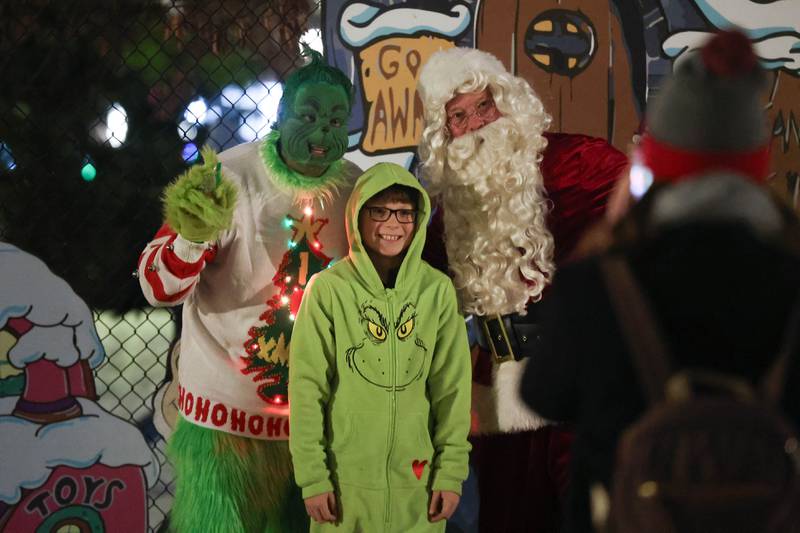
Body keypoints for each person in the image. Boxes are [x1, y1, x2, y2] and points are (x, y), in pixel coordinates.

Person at [520, 29, 800, 533]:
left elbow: (545, 395)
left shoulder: (600, 280)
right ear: (758, 163)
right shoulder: (790, 275)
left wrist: (610, 227)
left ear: (654, 162)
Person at [137, 51, 361, 532]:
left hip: (313, 421)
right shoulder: (227, 178)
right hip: (223, 421)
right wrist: (193, 235)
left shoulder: (358, 190)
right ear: (280, 116)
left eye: (336, 120)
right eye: (309, 116)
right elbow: (157, 285)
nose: (322, 133)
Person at [416, 47, 628, 532]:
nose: (475, 125)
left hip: (581, 382)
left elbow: (645, 221)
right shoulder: (451, 212)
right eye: (459, 116)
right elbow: (418, 282)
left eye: (483, 107)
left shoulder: (581, 161)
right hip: (502, 396)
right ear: (445, 131)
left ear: (506, 103)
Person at [288, 162, 472, 532]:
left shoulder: (436, 291)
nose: (393, 223)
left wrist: (450, 472)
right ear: (358, 215)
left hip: (417, 491)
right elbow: (307, 390)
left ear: (418, 220)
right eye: (380, 211)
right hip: (343, 492)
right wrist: (314, 477)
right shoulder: (328, 291)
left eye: (405, 213)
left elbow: (451, 388)